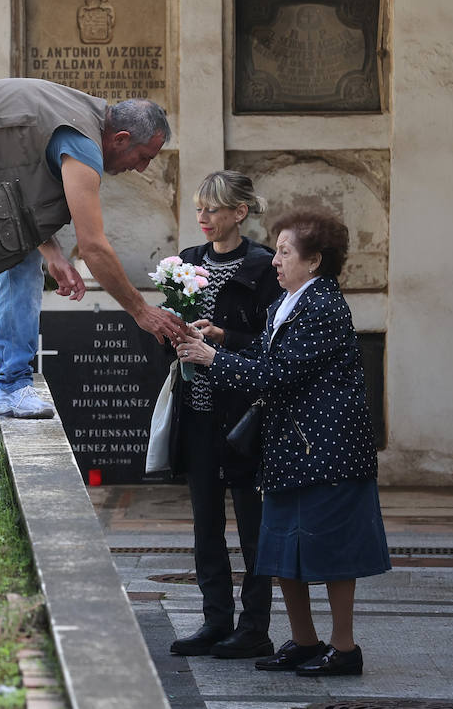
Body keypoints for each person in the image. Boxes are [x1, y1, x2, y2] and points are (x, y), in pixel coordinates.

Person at [0, 78, 186, 418]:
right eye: (143, 156)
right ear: (120, 139)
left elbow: (18, 180)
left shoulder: (79, 121)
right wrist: (141, 311)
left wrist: (54, 254)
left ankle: (13, 389)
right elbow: (94, 248)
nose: (141, 168)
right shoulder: (82, 142)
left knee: (22, 262)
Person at [175, 206, 389, 677]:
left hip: (328, 452)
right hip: (290, 451)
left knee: (331, 554)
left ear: (313, 261)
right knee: (283, 550)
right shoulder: (284, 304)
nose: (275, 260)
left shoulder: (324, 306)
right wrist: (221, 336)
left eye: (285, 252)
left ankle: (344, 648)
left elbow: (278, 374)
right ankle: (304, 641)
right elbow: (260, 351)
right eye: (277, 250)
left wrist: (212, 358)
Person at [162, 171, 283, 660]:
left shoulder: (264, 267)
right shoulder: (187, 262)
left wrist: (222, 338)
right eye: (199, 208)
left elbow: (277, 348)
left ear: (240, 212)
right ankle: (215, 621)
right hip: (197, 411)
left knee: (253, 526)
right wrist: (171, 332)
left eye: (213, 209)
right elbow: (164, 328)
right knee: (205, 522)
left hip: (245, 416)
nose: (203, 218)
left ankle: (255, 627)